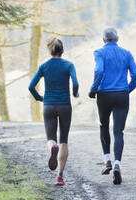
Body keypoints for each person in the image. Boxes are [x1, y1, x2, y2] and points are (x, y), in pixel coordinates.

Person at [89, 28, 136, 185]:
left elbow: (99, 70)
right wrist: (128, 89)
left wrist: (93, 89)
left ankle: (107, 161)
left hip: (104, 96)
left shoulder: (99, 52)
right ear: (117, 38)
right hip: (121, 96)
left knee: (104, 126)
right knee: (119, 131)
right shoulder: (126, 53)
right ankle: (118, 163)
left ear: (103, 40)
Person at [28, 37, 79, 186]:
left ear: (50, 50)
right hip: (64, 105)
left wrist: (40, 98)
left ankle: (52, 148)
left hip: (49, 105)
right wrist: (75, 93)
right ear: (62, 50)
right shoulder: (69, 65)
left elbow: (31, 86)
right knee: (64, 139)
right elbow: (75, 82)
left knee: (51, 138)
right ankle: (60, 176)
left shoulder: (44, 66)